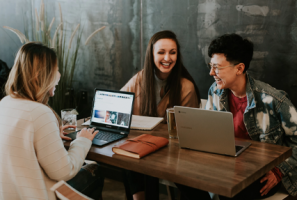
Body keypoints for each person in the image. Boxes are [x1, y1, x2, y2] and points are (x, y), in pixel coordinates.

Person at [0, 42, 104, 200]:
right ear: (40, 76)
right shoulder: (40, 113)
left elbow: (21, 147)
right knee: (96, 171)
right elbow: (64, 171)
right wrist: (82, 141)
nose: (60, 75)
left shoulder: (5, 103)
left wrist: (52, 134)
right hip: (38, 194)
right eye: (56, 70)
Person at [206, 33, 297, 199]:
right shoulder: (215, 91)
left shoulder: (273, 100)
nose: (212, 73)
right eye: (210, 66)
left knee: (230, 192)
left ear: (239, 68)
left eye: (217, 67)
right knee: (184, 180)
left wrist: (279, 171)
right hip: (226, 168)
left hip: (260, 173)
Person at [121, 30, 210, 200]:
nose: (167, 58)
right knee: (130, 158)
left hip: (173, 154)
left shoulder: (186, 87)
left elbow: (190, 134)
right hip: (142, 148)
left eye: (172, 52)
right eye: (161, 52)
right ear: (151, 55)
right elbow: (119, 105)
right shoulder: (140, 79)